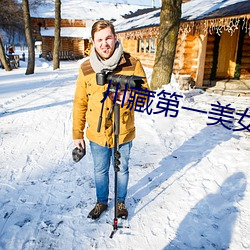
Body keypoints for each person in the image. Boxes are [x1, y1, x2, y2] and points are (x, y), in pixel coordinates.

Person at [72, 20, 149, 220]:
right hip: (97, 133)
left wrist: (129, 98)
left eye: (108, 38)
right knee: (100, 170)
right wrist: (77, 134)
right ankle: (101, 202)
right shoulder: (86, 68)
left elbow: (146, 97)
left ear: (115, 38)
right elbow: (80, 102)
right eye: (100, 40)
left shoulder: (132, 63)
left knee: (122, 168)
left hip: (123, 130)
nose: (104, 43)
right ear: (93, 42)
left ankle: (120, 202)